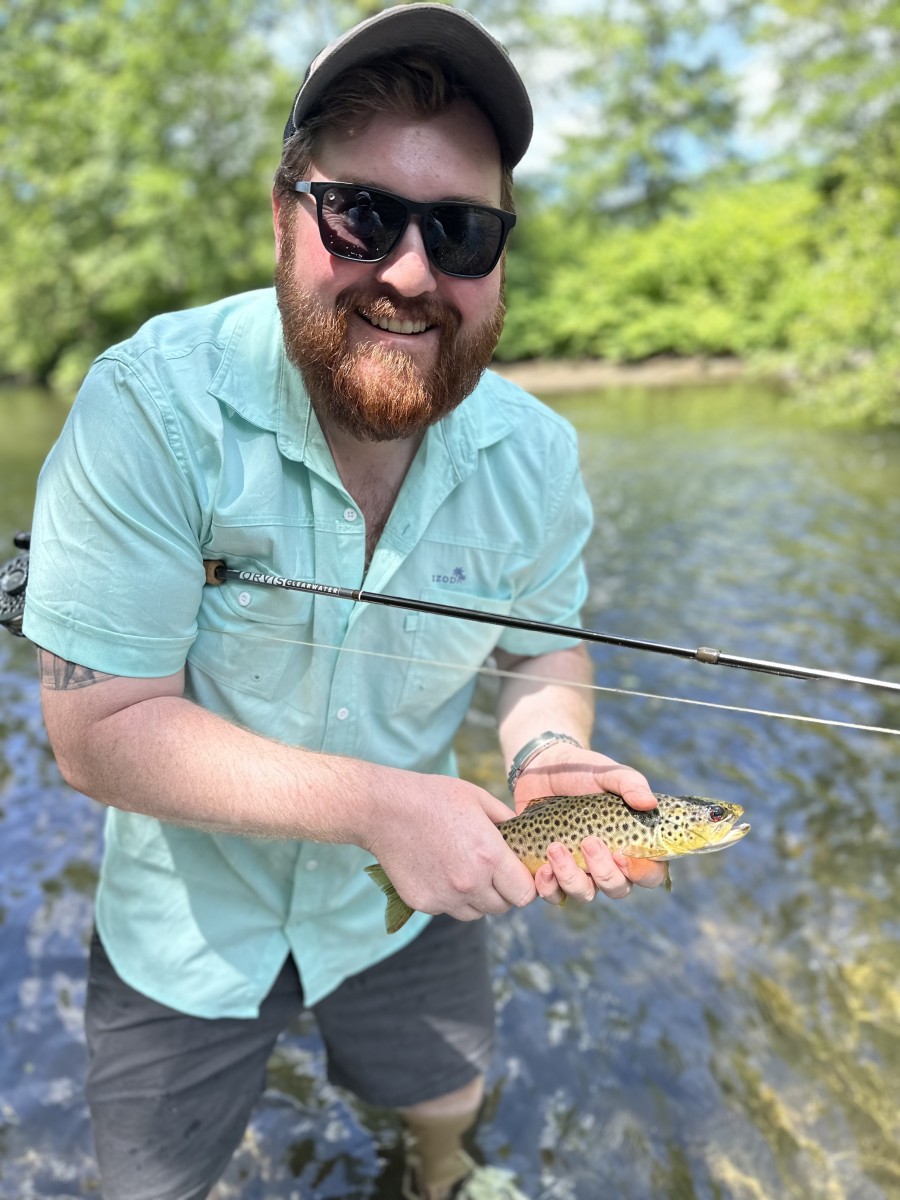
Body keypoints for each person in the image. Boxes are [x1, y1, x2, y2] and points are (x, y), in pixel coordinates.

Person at [24, 6, 666, 1199]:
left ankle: (441, 1176)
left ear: (500, 261)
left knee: (444, 1111)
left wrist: (552, 753)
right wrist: (378, 809)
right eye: (363, 214)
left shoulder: (537, 456)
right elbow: (97, 729)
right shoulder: (146, 409)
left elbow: (541, 653)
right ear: (284, 218)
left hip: (418, 907)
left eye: (464, 231)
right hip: (186, 921)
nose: (414, 273)